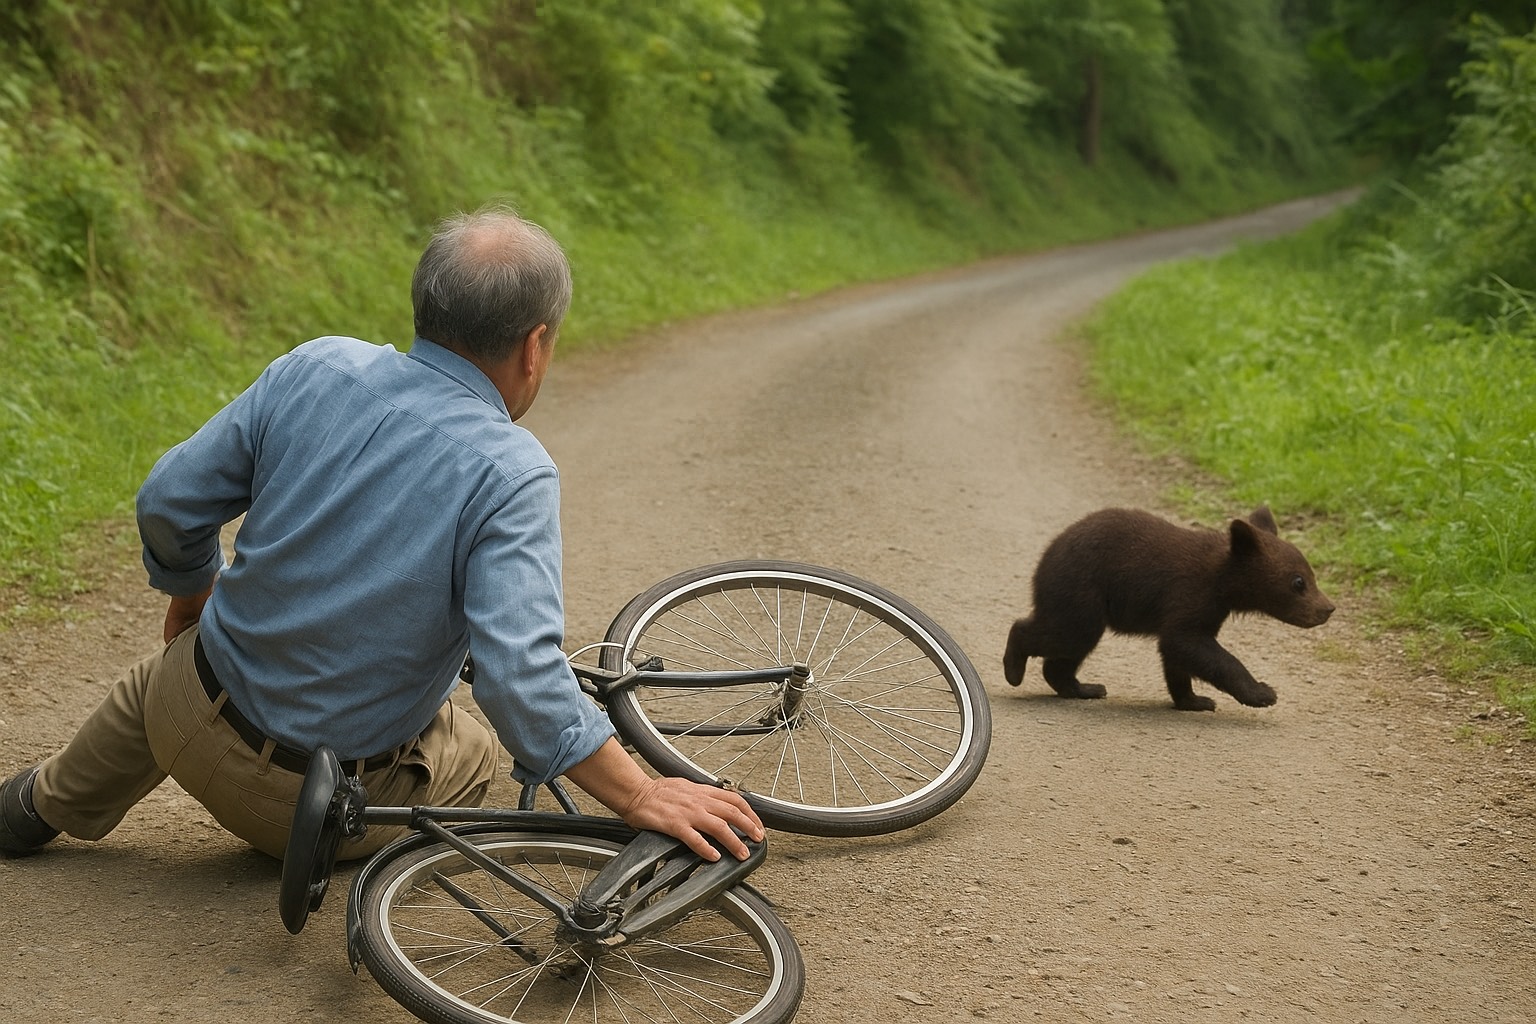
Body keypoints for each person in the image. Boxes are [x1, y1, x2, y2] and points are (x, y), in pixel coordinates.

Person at [0, 206, 763, 863]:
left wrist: (194, 591)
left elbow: (169, 499)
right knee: (474, 739)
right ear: (534, 348)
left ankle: (39, 803)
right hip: (299, 808)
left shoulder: (316, 367)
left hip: (181, 717)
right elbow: (519, 681)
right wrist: (638, 795)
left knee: (174, 667)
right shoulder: (511, 471)